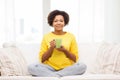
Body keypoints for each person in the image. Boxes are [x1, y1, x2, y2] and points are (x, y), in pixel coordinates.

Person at [28, 10, 87, 77]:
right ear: (52, 23)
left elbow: (75, 59)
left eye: (61, 21)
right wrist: (51, 48)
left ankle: (54, 76)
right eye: (55, 21)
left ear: (65, 22)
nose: (58, 23)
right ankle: (58, 76)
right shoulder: (46, 36)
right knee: (31, 67)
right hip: (49, 68)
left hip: (67, 68)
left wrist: (64, 50)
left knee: (82, 66)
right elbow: (42, 59)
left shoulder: (71, 36)